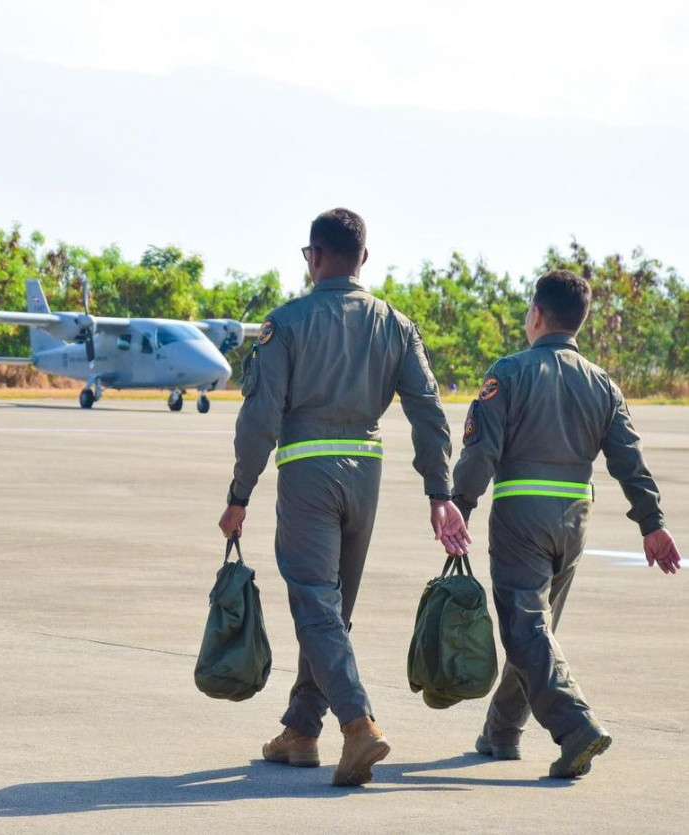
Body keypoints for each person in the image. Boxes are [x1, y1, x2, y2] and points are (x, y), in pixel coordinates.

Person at [217, 208, 471, 787]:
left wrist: (240, 493)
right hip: (367, 475)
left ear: (314, 257)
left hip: (309, 471)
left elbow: (260, 417)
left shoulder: (288, 322)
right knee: (331, 610)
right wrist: (439, 492)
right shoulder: (395, 324)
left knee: (313, 602)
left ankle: (359, 726)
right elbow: (429, 414)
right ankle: (302, 731)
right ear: (363, 258)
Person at [451, 269, 680, 779]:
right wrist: (652, 523)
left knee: (525, 627)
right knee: (536, 628)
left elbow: (480, 452)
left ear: (536, 315)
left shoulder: (507, 374)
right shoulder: (604, 384)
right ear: (581, 321)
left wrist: (458, 507)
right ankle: (502, 731)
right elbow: (629, 460)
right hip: (574, 523)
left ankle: (575, 725)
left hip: (521, 520)